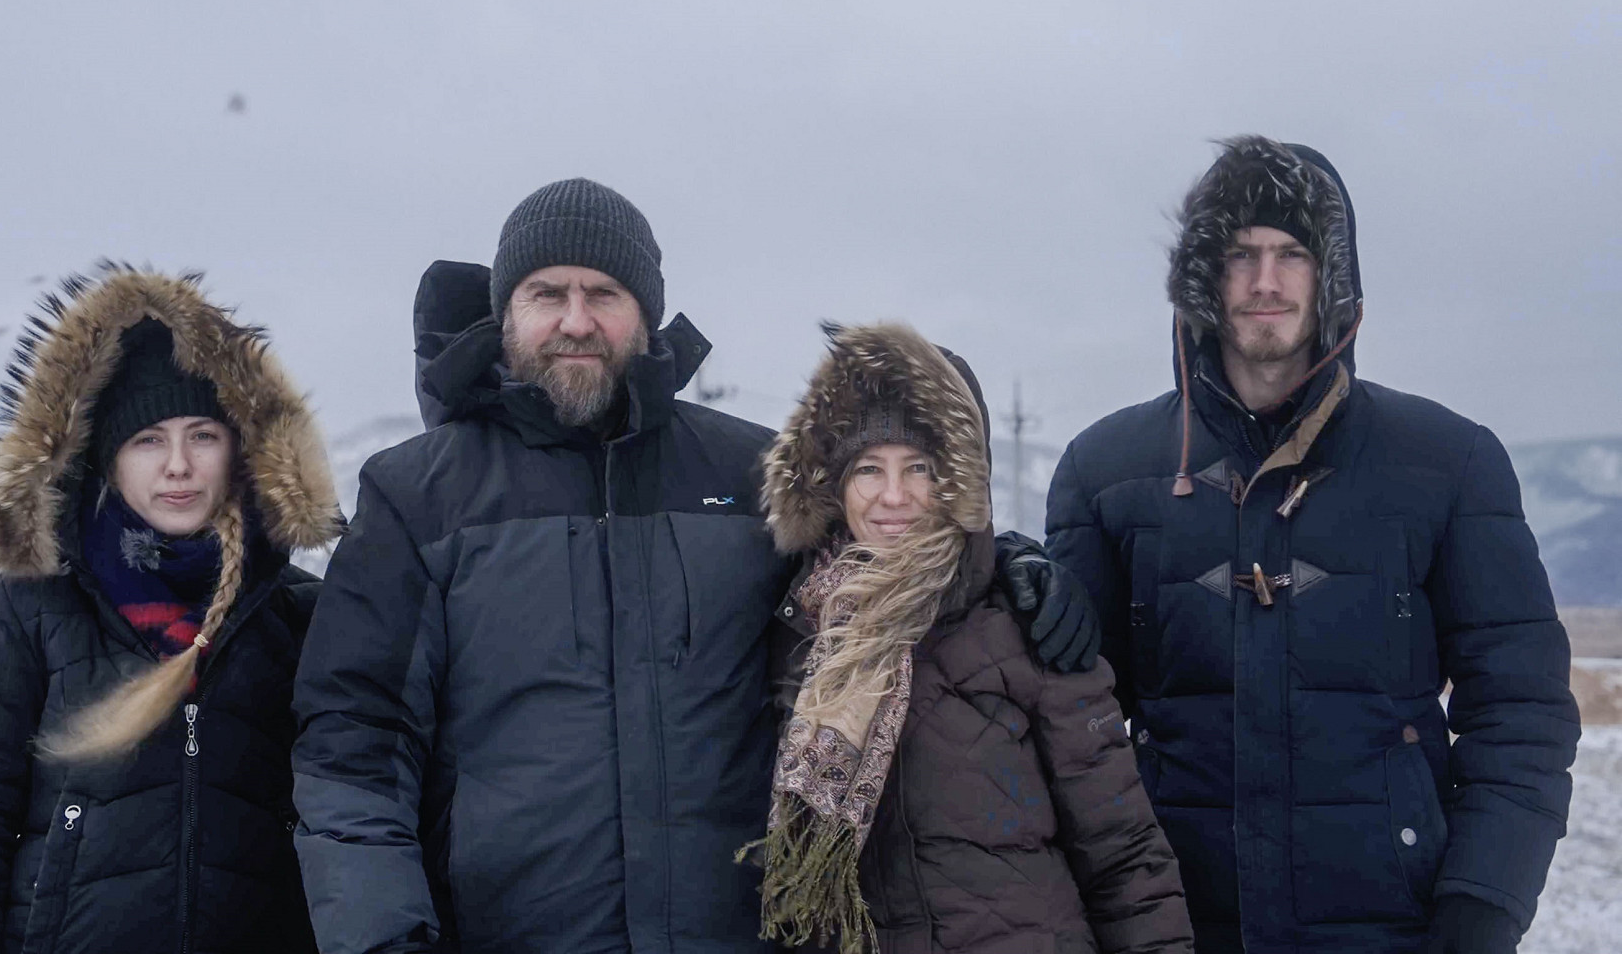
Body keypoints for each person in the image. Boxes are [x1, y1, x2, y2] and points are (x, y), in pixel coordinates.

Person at [290, 178, 1088, 953]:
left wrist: (1006, 566)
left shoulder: (754, 476)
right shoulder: (418, 497)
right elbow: (354, 748)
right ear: (506, 314)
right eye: (547, 294)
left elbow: (886, 567)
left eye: (604, 294)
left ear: (646, 311)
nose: (576, 320)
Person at [1044, 136, 1580, 954]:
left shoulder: (1449, 462)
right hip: (1171, 929)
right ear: (1203, 276)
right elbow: (1057, 717)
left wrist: (1483, 903)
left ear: (1334, 275)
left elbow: (1521, 706)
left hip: (1393, 929)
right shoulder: (1107, 471)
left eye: (1293, 253)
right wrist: (1007, 575)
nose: (1266, 281)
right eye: (1241, 254)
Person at [0, 265, 343, 954]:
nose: (179, 465)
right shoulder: (32, 609)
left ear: (241, 450)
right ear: (108, 460)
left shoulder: (298, 615)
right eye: (148, 440)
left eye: (203, 434)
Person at [753, 322, 1192, 954]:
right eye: (869, 468)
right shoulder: (795, 628)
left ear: (959, 481)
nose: (893, 496)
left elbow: (1124, 856)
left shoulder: (1028, 622)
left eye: (921, 468)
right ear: (833, 485)